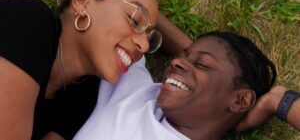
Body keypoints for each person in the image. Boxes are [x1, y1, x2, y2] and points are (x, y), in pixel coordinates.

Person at [0, 0, 164, 139]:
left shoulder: (85, 97)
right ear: (82, 2)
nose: (144, 45)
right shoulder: (27, 22)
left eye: (150, 39)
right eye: (134, 20)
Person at [73, 31, 278, 140]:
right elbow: (125, 8)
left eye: (202, 64)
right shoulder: (136, 90)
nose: (175, 61)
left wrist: (281, 102)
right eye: (181, 55)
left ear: (240, 99)